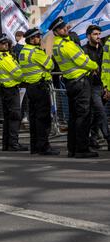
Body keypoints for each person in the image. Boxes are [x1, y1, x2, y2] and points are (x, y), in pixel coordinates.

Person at [51, 17, 99, 158]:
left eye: (65, 27)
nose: (65, 29)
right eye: (62, 28)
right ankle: (82, 149)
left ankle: (72, 148)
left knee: (74, 117)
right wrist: (95, 65)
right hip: (80, 82)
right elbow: (83, 61)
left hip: (71, 82)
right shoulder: (67, 45)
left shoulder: (56, 45)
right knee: (83, 116)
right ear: (55, 32)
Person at [19, 28, 59, 156]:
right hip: (40, 88)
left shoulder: (23, 51)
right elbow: (50, 65)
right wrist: (45, 54)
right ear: (32, 39)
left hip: (31, 87)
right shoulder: (36, 52)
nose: (39, 39)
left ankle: (35, 146)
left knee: (34, 119)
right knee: (43, 119)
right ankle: (44, 147)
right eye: (37, 37)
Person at [0, 34, 27, 151]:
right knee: (14, 117)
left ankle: (7, 143)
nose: (6, 45)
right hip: (10, 90)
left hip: (5, 90)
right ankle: (13, 143)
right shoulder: (5, 58)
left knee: (8, 118)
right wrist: (25, 78)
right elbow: (18, 73)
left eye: (6, 43)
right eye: (3, 43)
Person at [82, 25, 110, 151]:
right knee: (101, 112)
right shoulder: (84, 50)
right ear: (88, 36)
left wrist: (106, 87)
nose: (98, 36)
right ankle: (108, 138)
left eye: (99, 34)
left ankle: (92, 139)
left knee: (97, 115)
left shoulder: (103, 49)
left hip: (102, 86)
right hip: (91, 87)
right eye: (95, 34)